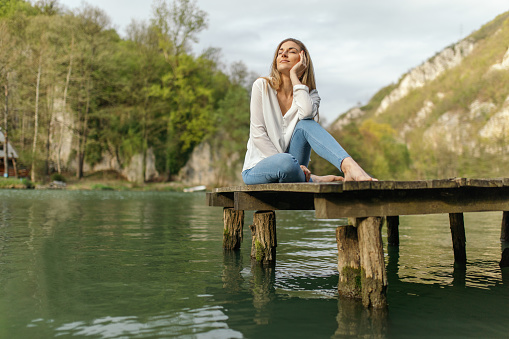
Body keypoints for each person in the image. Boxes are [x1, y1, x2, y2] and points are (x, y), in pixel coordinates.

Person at [241, 38, 376, 185]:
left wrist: (294, 76)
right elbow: (258, 135)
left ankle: (349, 166)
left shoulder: (311, 95)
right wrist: (291, 164)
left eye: (291, 51)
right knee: (286, 162)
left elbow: (306, 114)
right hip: (257, 169)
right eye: (280, 52)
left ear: (303, 60)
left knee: (306, 124)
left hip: (293, 167)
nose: (283, 55)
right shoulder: (262, 86)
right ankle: (312, 178)